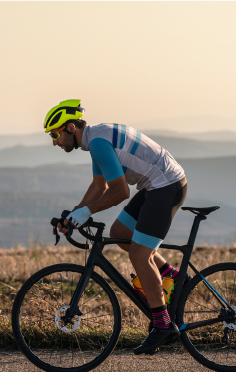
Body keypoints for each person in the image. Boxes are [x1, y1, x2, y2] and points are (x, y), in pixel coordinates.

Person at [46, 99, 188, 355]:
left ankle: (163, 324)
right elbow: (99, 186)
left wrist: (86, 212)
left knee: (138, 254)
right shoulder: (94, 139)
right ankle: (175, 277)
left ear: (69, 128)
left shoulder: (98, 143)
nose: (54, 142)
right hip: (156, 185)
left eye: (55, 135)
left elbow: (121, 191)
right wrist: (74, 214)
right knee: (121, 234)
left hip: (166, 185)